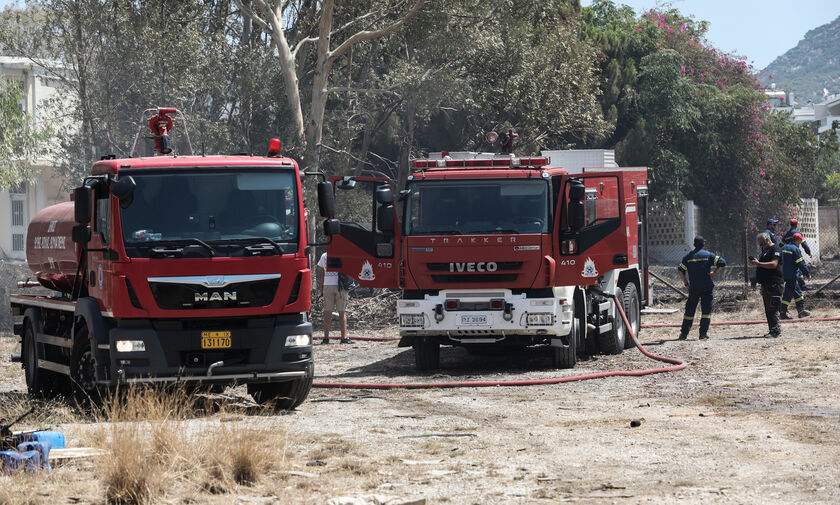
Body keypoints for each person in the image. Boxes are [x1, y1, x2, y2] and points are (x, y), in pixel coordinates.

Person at [677, 236, 726, 340]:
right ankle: (703, 334)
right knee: (706, 312)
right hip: (706, 288)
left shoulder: (688, 257)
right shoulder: (708, 255)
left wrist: (686, 284)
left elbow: (680, 270)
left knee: (689, 311)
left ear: (694, 244)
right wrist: (714, 273)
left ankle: (684, 334)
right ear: (703, 244)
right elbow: (722, 263)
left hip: (694, 288)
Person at [751, 232, 784, 338]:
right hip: (766, 284)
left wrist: (758, 263)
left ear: (767, 240)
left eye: (761, 242)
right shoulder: (765, 251)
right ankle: (772, 330)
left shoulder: (775, 249)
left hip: (774, 284)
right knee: (768, 309)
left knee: (773, 308)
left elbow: (774, 264)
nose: (760, 245)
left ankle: (775, 331)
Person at [316, 252, 351, 344]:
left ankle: (326, 338)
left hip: (327, 285)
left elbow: (320, 273)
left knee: (327, 312)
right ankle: (344, 337)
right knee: (342, 312)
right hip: (340, 285)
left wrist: (321, 288)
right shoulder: (342, 254)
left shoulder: (324, 256)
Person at [780, 233, 811, 319]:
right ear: (797, 240)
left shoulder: (783, 248)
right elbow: (801, 263)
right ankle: (782, 313)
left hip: (782, 274)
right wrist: (807, 273)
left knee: (797, 292)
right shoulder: (795, 249)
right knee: (788, 294)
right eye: (800, 241)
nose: (800, 243)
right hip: (791, 275)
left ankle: (801, 312)